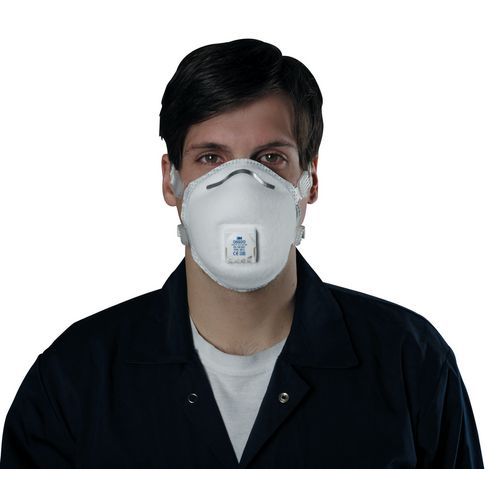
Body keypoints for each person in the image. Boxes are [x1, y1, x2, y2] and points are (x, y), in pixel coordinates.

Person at [0, 38, 484, 468]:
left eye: (271, 158)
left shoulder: (410, 364)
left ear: (309, 180)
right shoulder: (73, 379)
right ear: (171, 181)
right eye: (210, 158)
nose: (241, 186)